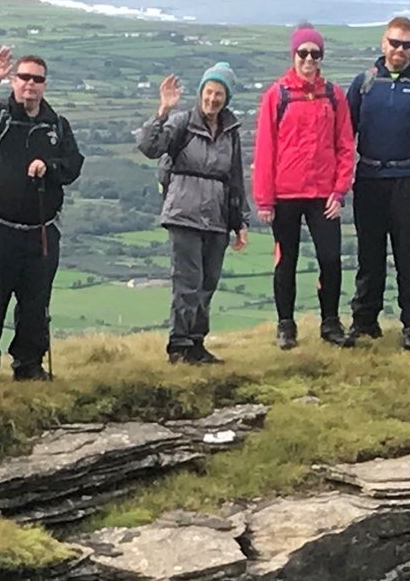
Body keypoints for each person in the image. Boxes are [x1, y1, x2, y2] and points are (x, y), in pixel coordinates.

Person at [0, 46, 84, 383]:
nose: (30, 84)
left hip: (41, 230)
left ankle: (29, 365)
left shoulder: (57, 125)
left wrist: (51, 168)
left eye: (37, 79)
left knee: (35, 302)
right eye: (24, 77)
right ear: (13, 80)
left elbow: (74, 166)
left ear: (45, 85)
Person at [344, 15, 410, 351]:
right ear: (383, 43)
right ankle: (364, 322)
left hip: (409, 178)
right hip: (370, 177)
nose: (399, 50)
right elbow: (345, 131)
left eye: (406, 44)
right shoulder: (364, 83)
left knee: (408, 254)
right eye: (394, 43)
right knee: (369, 255)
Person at [253, 25, 356, 349]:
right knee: (287, 261)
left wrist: (339, 191)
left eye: (315, 53)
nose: (309, 59)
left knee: (330, 259)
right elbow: (265, 149)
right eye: (303, 53)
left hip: (323, 195)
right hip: (285, 194)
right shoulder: (277, 94)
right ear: (293, 55)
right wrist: (264, 200)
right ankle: (286, 325)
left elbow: (345, 145)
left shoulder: (334, 95)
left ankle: (330, 323)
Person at [139, 63, 248, 364]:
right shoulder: (181, 122)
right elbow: (148, 146)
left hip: (217, 217)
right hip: (184, 214)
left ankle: (197, 343)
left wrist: (240, 222)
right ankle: (179, 346)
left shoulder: (230, 131)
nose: (213, 99)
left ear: (227, 98)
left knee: (207, 283)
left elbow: (235, 178)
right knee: (187, 282)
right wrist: (162, 110)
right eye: (209, 91)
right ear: (201, 92)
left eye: (219, 94)